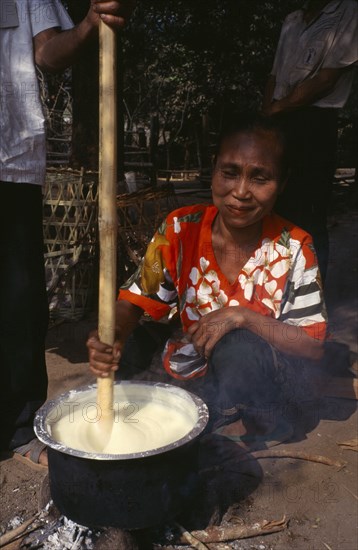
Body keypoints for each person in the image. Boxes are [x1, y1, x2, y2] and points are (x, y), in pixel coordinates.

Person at [87, 113, 328, 446]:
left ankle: (256, 427)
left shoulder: (295, 246)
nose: (241, 191)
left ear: (282, 183)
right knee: (132, 346)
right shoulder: (179, 228)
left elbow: (312, 345)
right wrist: (110, 334)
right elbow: (134, 300)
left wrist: (241, 317)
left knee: (238, 344)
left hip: (264, 376)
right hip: (194, 365)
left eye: (260, 178)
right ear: (213, 170)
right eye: (229, 173)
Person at [0, 0, 135, 468]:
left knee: (19, 300)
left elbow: (48, 53)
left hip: (10, 158)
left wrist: (89, 26)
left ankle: (19, 425)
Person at [262, 0, 358, 282]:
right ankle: (275, 293)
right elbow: (274, 75)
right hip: (278, 119)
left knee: (310, 214)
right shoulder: (292, 19)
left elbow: (327, 79)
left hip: (315, 122)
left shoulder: (347, 11)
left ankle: (313, 307)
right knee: (273, 208)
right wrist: (267, 117)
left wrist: (276, 109)